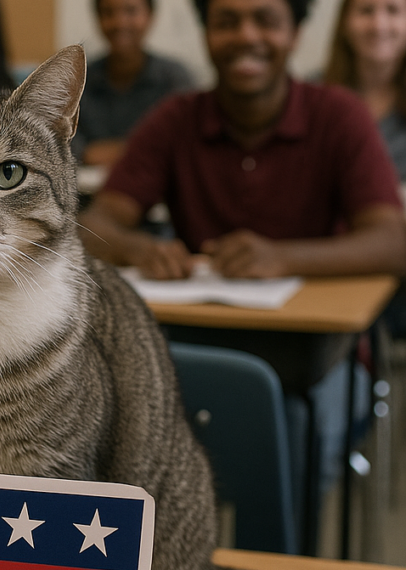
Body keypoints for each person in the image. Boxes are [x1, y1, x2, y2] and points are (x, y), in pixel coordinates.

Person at [78, 0, 406, 552]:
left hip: (320, 360)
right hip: (192, 348)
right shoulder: (178, 118)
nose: (245, 36)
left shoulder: (338, 115)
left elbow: (392, 240)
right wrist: (140, 248)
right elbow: (93, 222)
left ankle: (279, 553)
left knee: (294, 424)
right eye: (227, 21)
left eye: (266, 20)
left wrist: (285, 257)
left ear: (296, 33)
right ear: (206, 33)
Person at [74, 0, 195, 167]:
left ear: (150, 17)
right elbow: (63, 144)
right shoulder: (80, 78)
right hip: (86, 188)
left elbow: (185, 144)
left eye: (131, 11)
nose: (120, 22)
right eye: (108, 13)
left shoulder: (174, 78)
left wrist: (102, 152)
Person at [323, 0, 406, 182]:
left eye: (392, 10)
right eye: (366, 11)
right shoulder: (312, 93)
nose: (379, 25)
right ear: (345, 22)